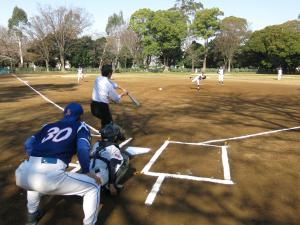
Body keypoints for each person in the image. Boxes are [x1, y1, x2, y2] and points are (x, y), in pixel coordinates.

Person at [15, 102, 102, 225]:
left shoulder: (48, 126)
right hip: (50, 176)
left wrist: (36, 158)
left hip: (24, 173)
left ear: (64, 113)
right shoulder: (81, 127)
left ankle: (31, 218)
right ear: (80, 116)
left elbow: (28, 143)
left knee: (34, 182)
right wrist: (87, 171)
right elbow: (83, 149)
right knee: (93, 186)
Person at [90, 123, 129, 195]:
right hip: (100, 178)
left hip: (89, 175)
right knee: (124, 159)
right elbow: (112, 166)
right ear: (114, 137)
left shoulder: (96, 144)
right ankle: (108, 186)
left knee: (97, 160)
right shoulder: (113, 148)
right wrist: (111, 185)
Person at [91, 64, 128, 129]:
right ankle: (106, 137)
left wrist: (121, 88)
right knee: (109, 123)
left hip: (93, 107)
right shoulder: (109, 85)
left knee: (105, 121)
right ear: (109, 74)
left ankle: (104, 133)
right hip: (102, 108)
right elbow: (116, 99)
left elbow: (112, 83)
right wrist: (123, 94)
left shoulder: (98, 78)